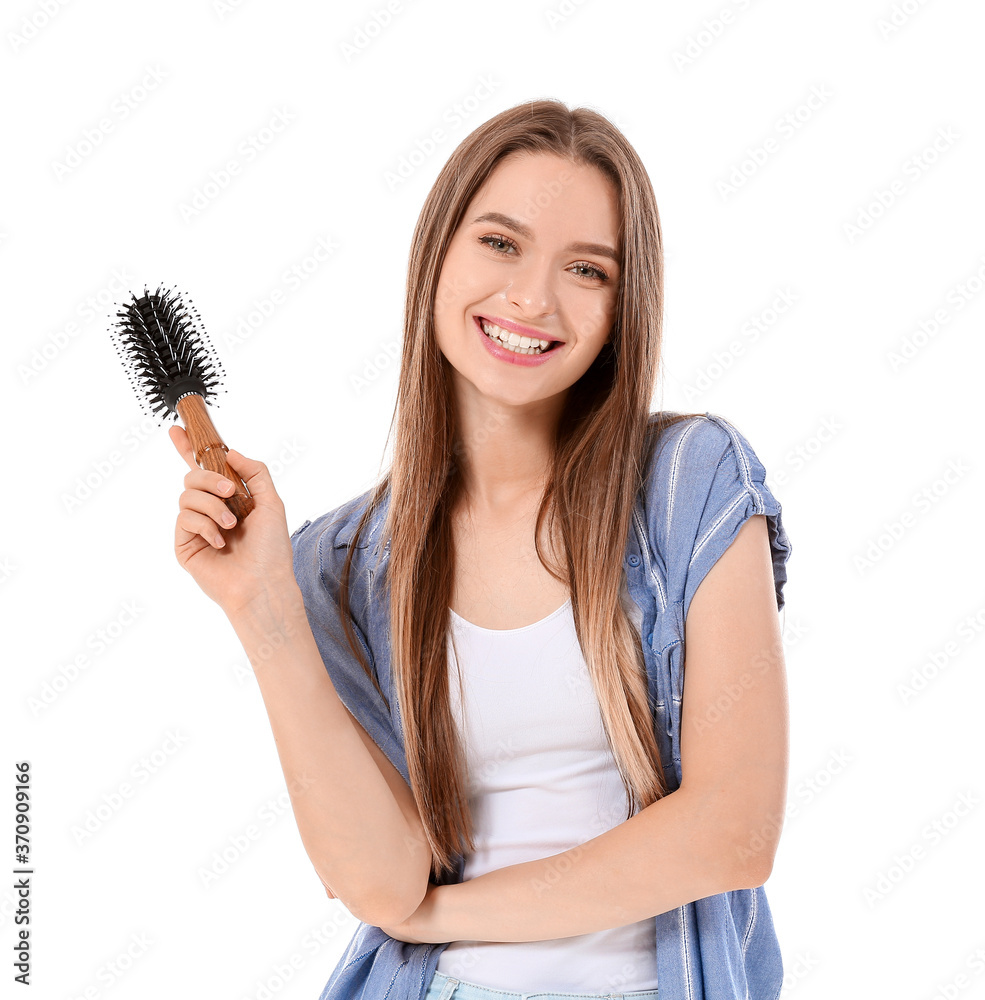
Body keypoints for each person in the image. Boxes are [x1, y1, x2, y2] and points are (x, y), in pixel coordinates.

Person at [168, 99, 792, 1000]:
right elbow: (383, 882)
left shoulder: (688, 483)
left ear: (623, 309)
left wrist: (442, 913)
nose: (531, 299)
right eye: (500, 244)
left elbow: (734, 832)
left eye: (586, 269)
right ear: (437, 256)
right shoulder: (338, 566)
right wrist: (263, 606)